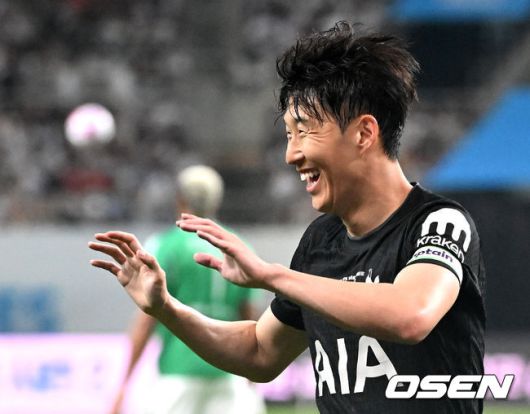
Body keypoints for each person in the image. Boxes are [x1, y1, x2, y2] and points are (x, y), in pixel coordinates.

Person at [90, 22, 485, 413]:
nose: (291, 155)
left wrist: (272, 276)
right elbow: (260, 352)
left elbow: (410, 315)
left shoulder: (438, 223)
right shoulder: (320, 242)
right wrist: (166, 309)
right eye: (289, 135)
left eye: (304, 131)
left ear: (364, 133)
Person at [109, 165, 265, 414]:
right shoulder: (239, 245)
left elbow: (147, 317)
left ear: (180, 199)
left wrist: (124, 383)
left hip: (179, 370)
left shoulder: (165, 246)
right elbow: (249, 314)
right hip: (230, 370)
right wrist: (253, 372)